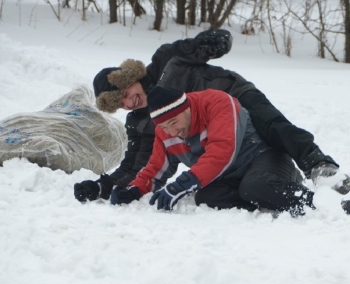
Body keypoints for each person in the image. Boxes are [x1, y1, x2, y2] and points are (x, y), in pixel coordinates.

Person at [74, 29, 349, 205]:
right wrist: (104, 186)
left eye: (125, 91)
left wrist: (211, 42)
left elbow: (204, 45)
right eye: (120, 103)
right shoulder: (142, 122)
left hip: (234, 95)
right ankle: (263, 185)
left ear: (131, 77)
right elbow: (136, 166)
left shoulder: (167, 60)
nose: (128, 101)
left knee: (273, 127)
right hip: (221, 139)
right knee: (224, 178)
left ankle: (320, 167)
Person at [110, 86, 316, 217]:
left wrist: (184, 183)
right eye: (164, 127)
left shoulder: (217, 103)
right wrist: (134, 191)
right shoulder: (165, 131)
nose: (172, 132)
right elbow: (155, 169)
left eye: (174, 122)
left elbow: (221, 151)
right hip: (228, 175)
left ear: (187, 108)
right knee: (207, 197)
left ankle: (315, 203)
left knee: (255, 185)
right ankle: (261, 204)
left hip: (262, 158)